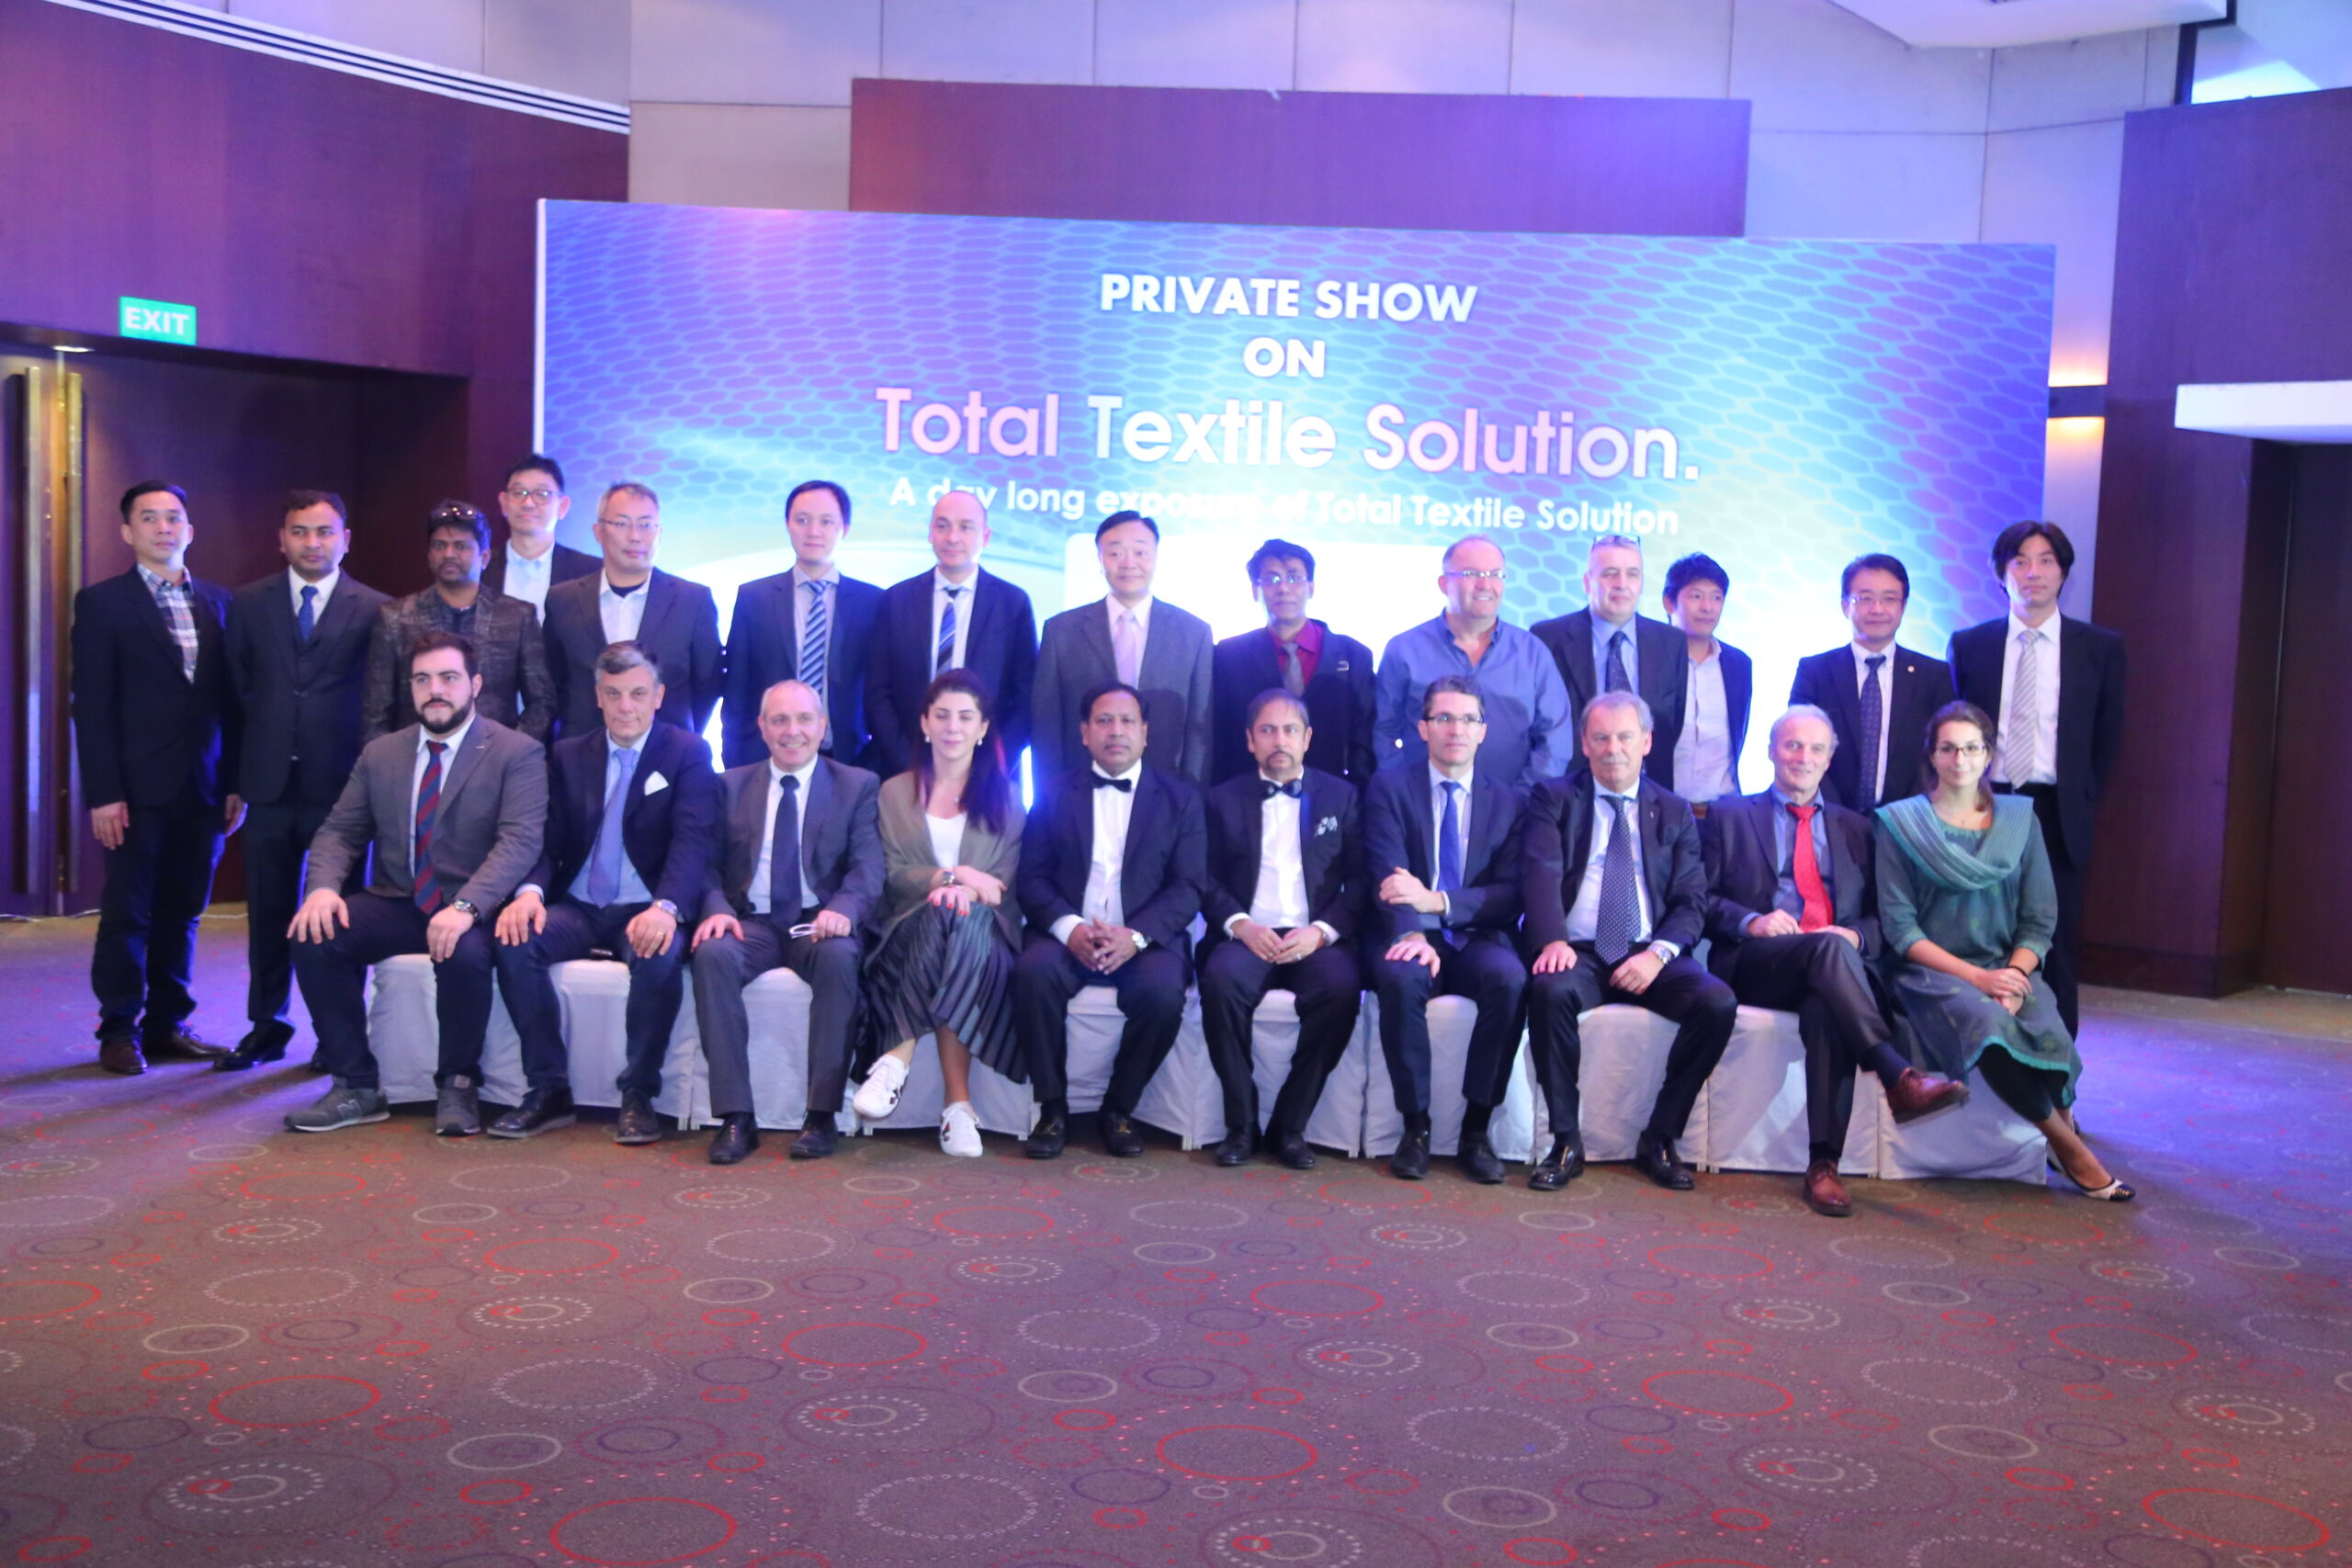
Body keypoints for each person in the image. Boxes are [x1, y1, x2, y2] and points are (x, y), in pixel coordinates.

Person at [1701, 705, 1968, 1215]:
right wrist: (1750, 921)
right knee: (1826, 950)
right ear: (1771, 750)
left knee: (1826, 1004)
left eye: (1816, 749)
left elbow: (1886, 918)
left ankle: (1823, 1166)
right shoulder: (1730, 815)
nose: (1803, 757)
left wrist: (1855, 936)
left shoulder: (1859, 829)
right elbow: (1700, 900)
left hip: (1833, 969)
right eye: (1792, 745)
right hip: (1757, 963)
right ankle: (1895, 1073)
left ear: (1829, 759)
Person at [282, 633, 548, 1135]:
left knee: (463, 953)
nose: (435, 690)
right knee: (314, 937)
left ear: (475, 685)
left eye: (448, 678)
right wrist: (322, 890)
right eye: (422, 680)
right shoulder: (382, 753)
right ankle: (356, 1085)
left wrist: (467, 907)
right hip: (399, 897)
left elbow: (520, 841)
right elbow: (340, 831)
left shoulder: (517, 752)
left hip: (473, 903)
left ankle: (458, 1084)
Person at [1874, 703, 2132, 1201]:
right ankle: (2070, 1148)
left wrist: (2013, 977)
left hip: (2009, 967)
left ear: (1988, 755)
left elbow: (2039, 919)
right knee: (1989, 1026)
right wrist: (1980, 980)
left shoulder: (2019, 819)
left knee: (2050, 1029)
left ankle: (2063, 1134)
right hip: (1932, 973)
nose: (1960, 760)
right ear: (1932, 755)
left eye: (1972, 748)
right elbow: (1901, 930)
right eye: (1948, 748)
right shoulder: (1899, 824)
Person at [492, 643, 718, 1143]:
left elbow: (693, 840)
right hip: (578, 905)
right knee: (515, 940)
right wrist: (529, 893)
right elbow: (546, 839)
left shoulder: (687, 752)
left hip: (646, 905)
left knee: (659, 955)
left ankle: (638, 1094)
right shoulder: (569, 754)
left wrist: (666, 908)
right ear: (597, 697)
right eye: (613, 694)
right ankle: (548, 1089)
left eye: (637, 694)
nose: (625, 707)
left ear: (658, 696)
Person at [1521, 692, 1736, 1193]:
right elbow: (1539, 875)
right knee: (1549, 991)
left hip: (1649, 950)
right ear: (1584, 743)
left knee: (1717, 1003)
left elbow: (1692, 901)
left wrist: (1658, 955)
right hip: (1578, 948)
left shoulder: (1675, 810)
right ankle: (1566, 1141)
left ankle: (1660, 1137)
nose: (1612, 748)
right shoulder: (1554, 798)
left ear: (1647, 742)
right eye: (1601, 737)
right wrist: (1552, 940)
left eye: (1624, 737)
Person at [217, 491, 390, 1073]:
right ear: (282, 539)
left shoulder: (376, 609)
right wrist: (235, 778)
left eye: (324, 531)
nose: (312, 543)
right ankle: (266, 1026)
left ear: (346, 539)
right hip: (268, 785)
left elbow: (382, 700)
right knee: (267, 913)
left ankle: (335, 1035)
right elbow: (236, 696)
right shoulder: (247, 604)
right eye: (300, 531)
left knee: (338, 918)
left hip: (342, 789)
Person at [70, 480, 239, 1072]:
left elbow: (232, 704)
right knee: (130, 912)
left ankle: (167, 1024)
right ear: (127, 532)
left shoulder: (220, 602)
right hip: (134, 792)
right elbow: (91, 706)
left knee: (183, 911)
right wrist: (104, 793)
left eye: (173, 518)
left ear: (189, 530)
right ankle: (119, 1030)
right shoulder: (103, 603)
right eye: (149, 518)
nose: (163, 527)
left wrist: (234, 781)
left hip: (205, 787)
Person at [686, 680, 882, 1166]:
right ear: (762, 727)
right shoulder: (729, 785)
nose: (792, 731)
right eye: (779, 720)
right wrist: (716, 909)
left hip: (818, 923)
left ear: (823, 726)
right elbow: (704, 864)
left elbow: (868, 867)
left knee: (840, 959)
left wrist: (844, 910)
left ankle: (820, 1114)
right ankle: (736, 1117)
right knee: (712, 954)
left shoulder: (856, 785)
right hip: (749, 921)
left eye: (803, 719)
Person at [1946, 522, 2126, 1037]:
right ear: (2001, 574)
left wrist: (2081, 799)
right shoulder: (1970, 644)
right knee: (1979, 934)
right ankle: (1981, 1060)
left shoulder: (2099, 647)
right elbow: (1952, 727)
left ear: (2063, 573)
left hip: (2056, 811)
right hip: (1986, 804)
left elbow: (2107, 739)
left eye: (2047, 561)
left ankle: (2056, 1069)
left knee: (2056, 942)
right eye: (2020, 561)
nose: (2034, 572)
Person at [1012, 682, 1206, 1160]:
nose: (1115, 731)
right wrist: (1070, 928)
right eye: (1103, 721)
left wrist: (1135, 936)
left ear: (1145, 732)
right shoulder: (1053, 792)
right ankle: (1052, 1109)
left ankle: (1118, 1108)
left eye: (1126, 722)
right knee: (1031, 975)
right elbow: (1031, 879)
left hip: (1143, 939)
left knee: (1162, 995)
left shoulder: (1180, 799)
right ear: (1084, 733)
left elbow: (1188, 886)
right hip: (1068, 934)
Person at [852, 671, 1025, 1161]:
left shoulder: (1008, 798)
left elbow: (1001, 885)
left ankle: (895, 1060)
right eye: (942, 716)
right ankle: (958, 1108)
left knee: (957, 919)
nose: (953, 727)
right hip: (903, 935)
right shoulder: (892, 793)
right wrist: (953, 877)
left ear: (983, 728)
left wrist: (962, 891)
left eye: (965, 717)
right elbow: (890, 875)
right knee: (944, 914)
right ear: (925, 724)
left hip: (985, 937)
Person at [1362, 675, 1528, 1183]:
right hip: (1411, 931)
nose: (1456, 729)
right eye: (1444, 718)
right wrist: (1411, 932)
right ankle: (1415, 1129)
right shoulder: (1390, 787)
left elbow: (1511, 893)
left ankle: (1476, 1131)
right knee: (1401, 977)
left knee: (1510, 980)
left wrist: (1439, 902)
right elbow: (1386, 873)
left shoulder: (1512, 801)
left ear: (1483, 731)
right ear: (1423, 728)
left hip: (1477, 935)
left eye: (1468, 719)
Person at [1198, 689, 1363, 1170]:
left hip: (1315, 937)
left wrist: (1322, 932)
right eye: (1267, 731)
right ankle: (1241, 1124)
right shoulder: (1221, 800)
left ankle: (1290, 1125)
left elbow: (1362, 881)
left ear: (1307, 738)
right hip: (1248, 935)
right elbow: (1202, 877)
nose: (1279, 740)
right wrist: (1240, 924)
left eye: (1290, 730)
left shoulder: (1342, 796)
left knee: (1340, 991)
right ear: (1250, 740)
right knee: (1220, 983)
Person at [1373, 535, 1569, 789]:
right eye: (1471, 574)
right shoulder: (1404, 650)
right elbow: (1383, 731)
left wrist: (1521, 798)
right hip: (1420, 805)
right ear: (1444, 584)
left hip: (1516, 806)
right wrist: (1404, 792)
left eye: (1495, 574)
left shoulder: (1532, 653)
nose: (1485, 584)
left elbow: (1555, 740)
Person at [865, 489, 1037, 779]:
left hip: (988, 775)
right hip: (905, 770)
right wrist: (908, 766)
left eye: (966, 527)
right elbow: (877, 693)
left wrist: (990, 767)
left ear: (986, 536)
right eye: (942, 526)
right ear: (930, 533)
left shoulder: (1013, 604)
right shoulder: (895, 600)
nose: (952, 537)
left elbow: (1026, 698)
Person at [1032, 512, 1215, 784]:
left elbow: (1200, 728)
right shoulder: (1061, 632)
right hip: (1080, 788)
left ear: (1156, 557)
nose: (1129, 563)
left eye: (1140, 552)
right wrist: (1049, 795)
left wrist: (1194, 797)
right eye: (1115, 553)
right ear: (1099, 558)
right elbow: (1046, 726)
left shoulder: (1194, 633)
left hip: (1168, 789)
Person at [721, 479, 883, 770]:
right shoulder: (754, 598)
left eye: (826, 521)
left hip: (848, 761)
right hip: (765, 760)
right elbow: (736, 691)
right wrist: (734, 760)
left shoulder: (873, 602)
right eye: (803, 520)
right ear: (787, 524)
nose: (813, 531)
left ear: (845, 529)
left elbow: (881, 691)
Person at [543, 481, 723, 742]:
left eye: (646, 524)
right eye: (622, 523)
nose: (635, 536)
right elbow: (553, 682)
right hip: (583, 751)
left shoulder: (693, 601)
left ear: (659, 533)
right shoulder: (563, 600)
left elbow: (708, 684)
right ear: (598, 531)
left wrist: (682, 739)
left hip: (668, 751)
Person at [364, 501, 554, 743]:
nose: (449, 554)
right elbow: (376, 711)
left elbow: (542, 702)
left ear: (484, 557)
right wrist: (389, 761)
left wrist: (511, 753)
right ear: (429, 555)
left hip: (493, 756)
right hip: (417, 758)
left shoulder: (516, 616)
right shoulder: (396, 617)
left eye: (461, 546)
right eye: (440, 545)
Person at [1790, 553, 1951, 812]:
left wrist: (1906, 814)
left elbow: (1941, 751)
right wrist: (1835, 815)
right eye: (1865, 598)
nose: (1877, 609)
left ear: (1903, 607)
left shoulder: (1933, 675)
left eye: (1889, 599)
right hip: (1827, 816)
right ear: (1845, 605)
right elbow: (1799, 744)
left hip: (1910, 818)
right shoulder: (1815, 671)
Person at [1211, 539, 1377, 789]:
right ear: (1255, 590)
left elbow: (1364, 741)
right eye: (1272, 579)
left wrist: (1358, 799)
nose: (1283, 588)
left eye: (1294, 577)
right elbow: (1221, 737)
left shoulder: (1354, 655)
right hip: (1249, 795)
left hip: (1333, 796)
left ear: (1311, 587)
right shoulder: (1229, 655)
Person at [1532, 534, 1687, 788]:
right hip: (1568, 794)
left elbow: (1673, 723)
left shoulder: (1672, 643)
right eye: (1610, 574)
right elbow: (1541, 727)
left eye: (1632, 574)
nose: (1622, 584)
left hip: (1649, 795)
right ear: (1587, 582)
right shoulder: (1548, 639)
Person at [1661, 552, 1749, 807]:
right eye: (1696, 596)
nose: (1708, 607)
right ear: (1669, 602)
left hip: (1724, 810)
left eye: (1716, 597)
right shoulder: (1649, 658)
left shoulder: (1739, 664)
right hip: (1661, 808)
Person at [481, 454, 598, 618]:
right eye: (518, 493)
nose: (528, 503)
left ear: (562, 506)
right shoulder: (479, 568)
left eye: (542, 494)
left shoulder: (591, 573)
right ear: (504, 503)